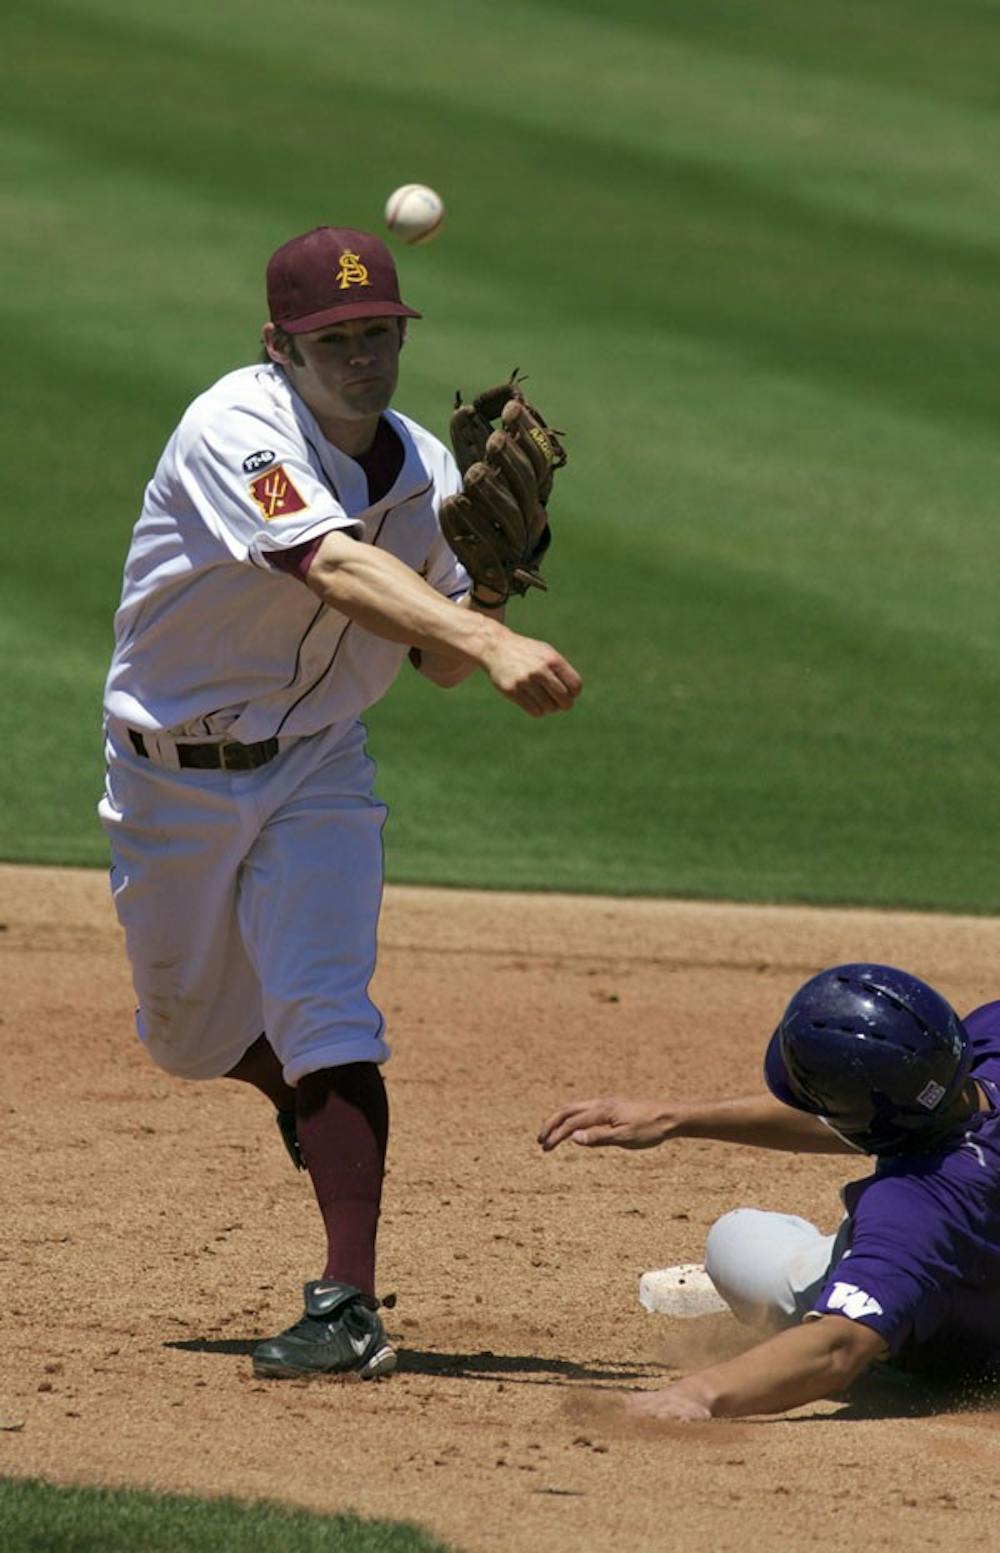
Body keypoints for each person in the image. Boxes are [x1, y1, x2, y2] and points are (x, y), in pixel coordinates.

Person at [100, 224, 581, 1382]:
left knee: (326, 1002)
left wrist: (490, 592)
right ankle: (300, 1094)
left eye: (380, 335)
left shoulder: (423, 466)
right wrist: (474, 624)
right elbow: (327, 563)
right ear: (280, 345)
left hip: (319, 763)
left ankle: (346, 1300)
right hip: (169, 775)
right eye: (336, 340)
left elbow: (439, 664)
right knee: (183, 1035)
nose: (364, 359)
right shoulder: (234, 428)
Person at [539, 963, 1000, 1419]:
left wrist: (698, 1393)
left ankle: (849, 1286)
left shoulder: (913, 1207)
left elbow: (837, 1349)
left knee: (735, 1238)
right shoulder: (989, 1034)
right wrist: (674, 1118)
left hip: (957, 1338)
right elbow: (883, 1121)